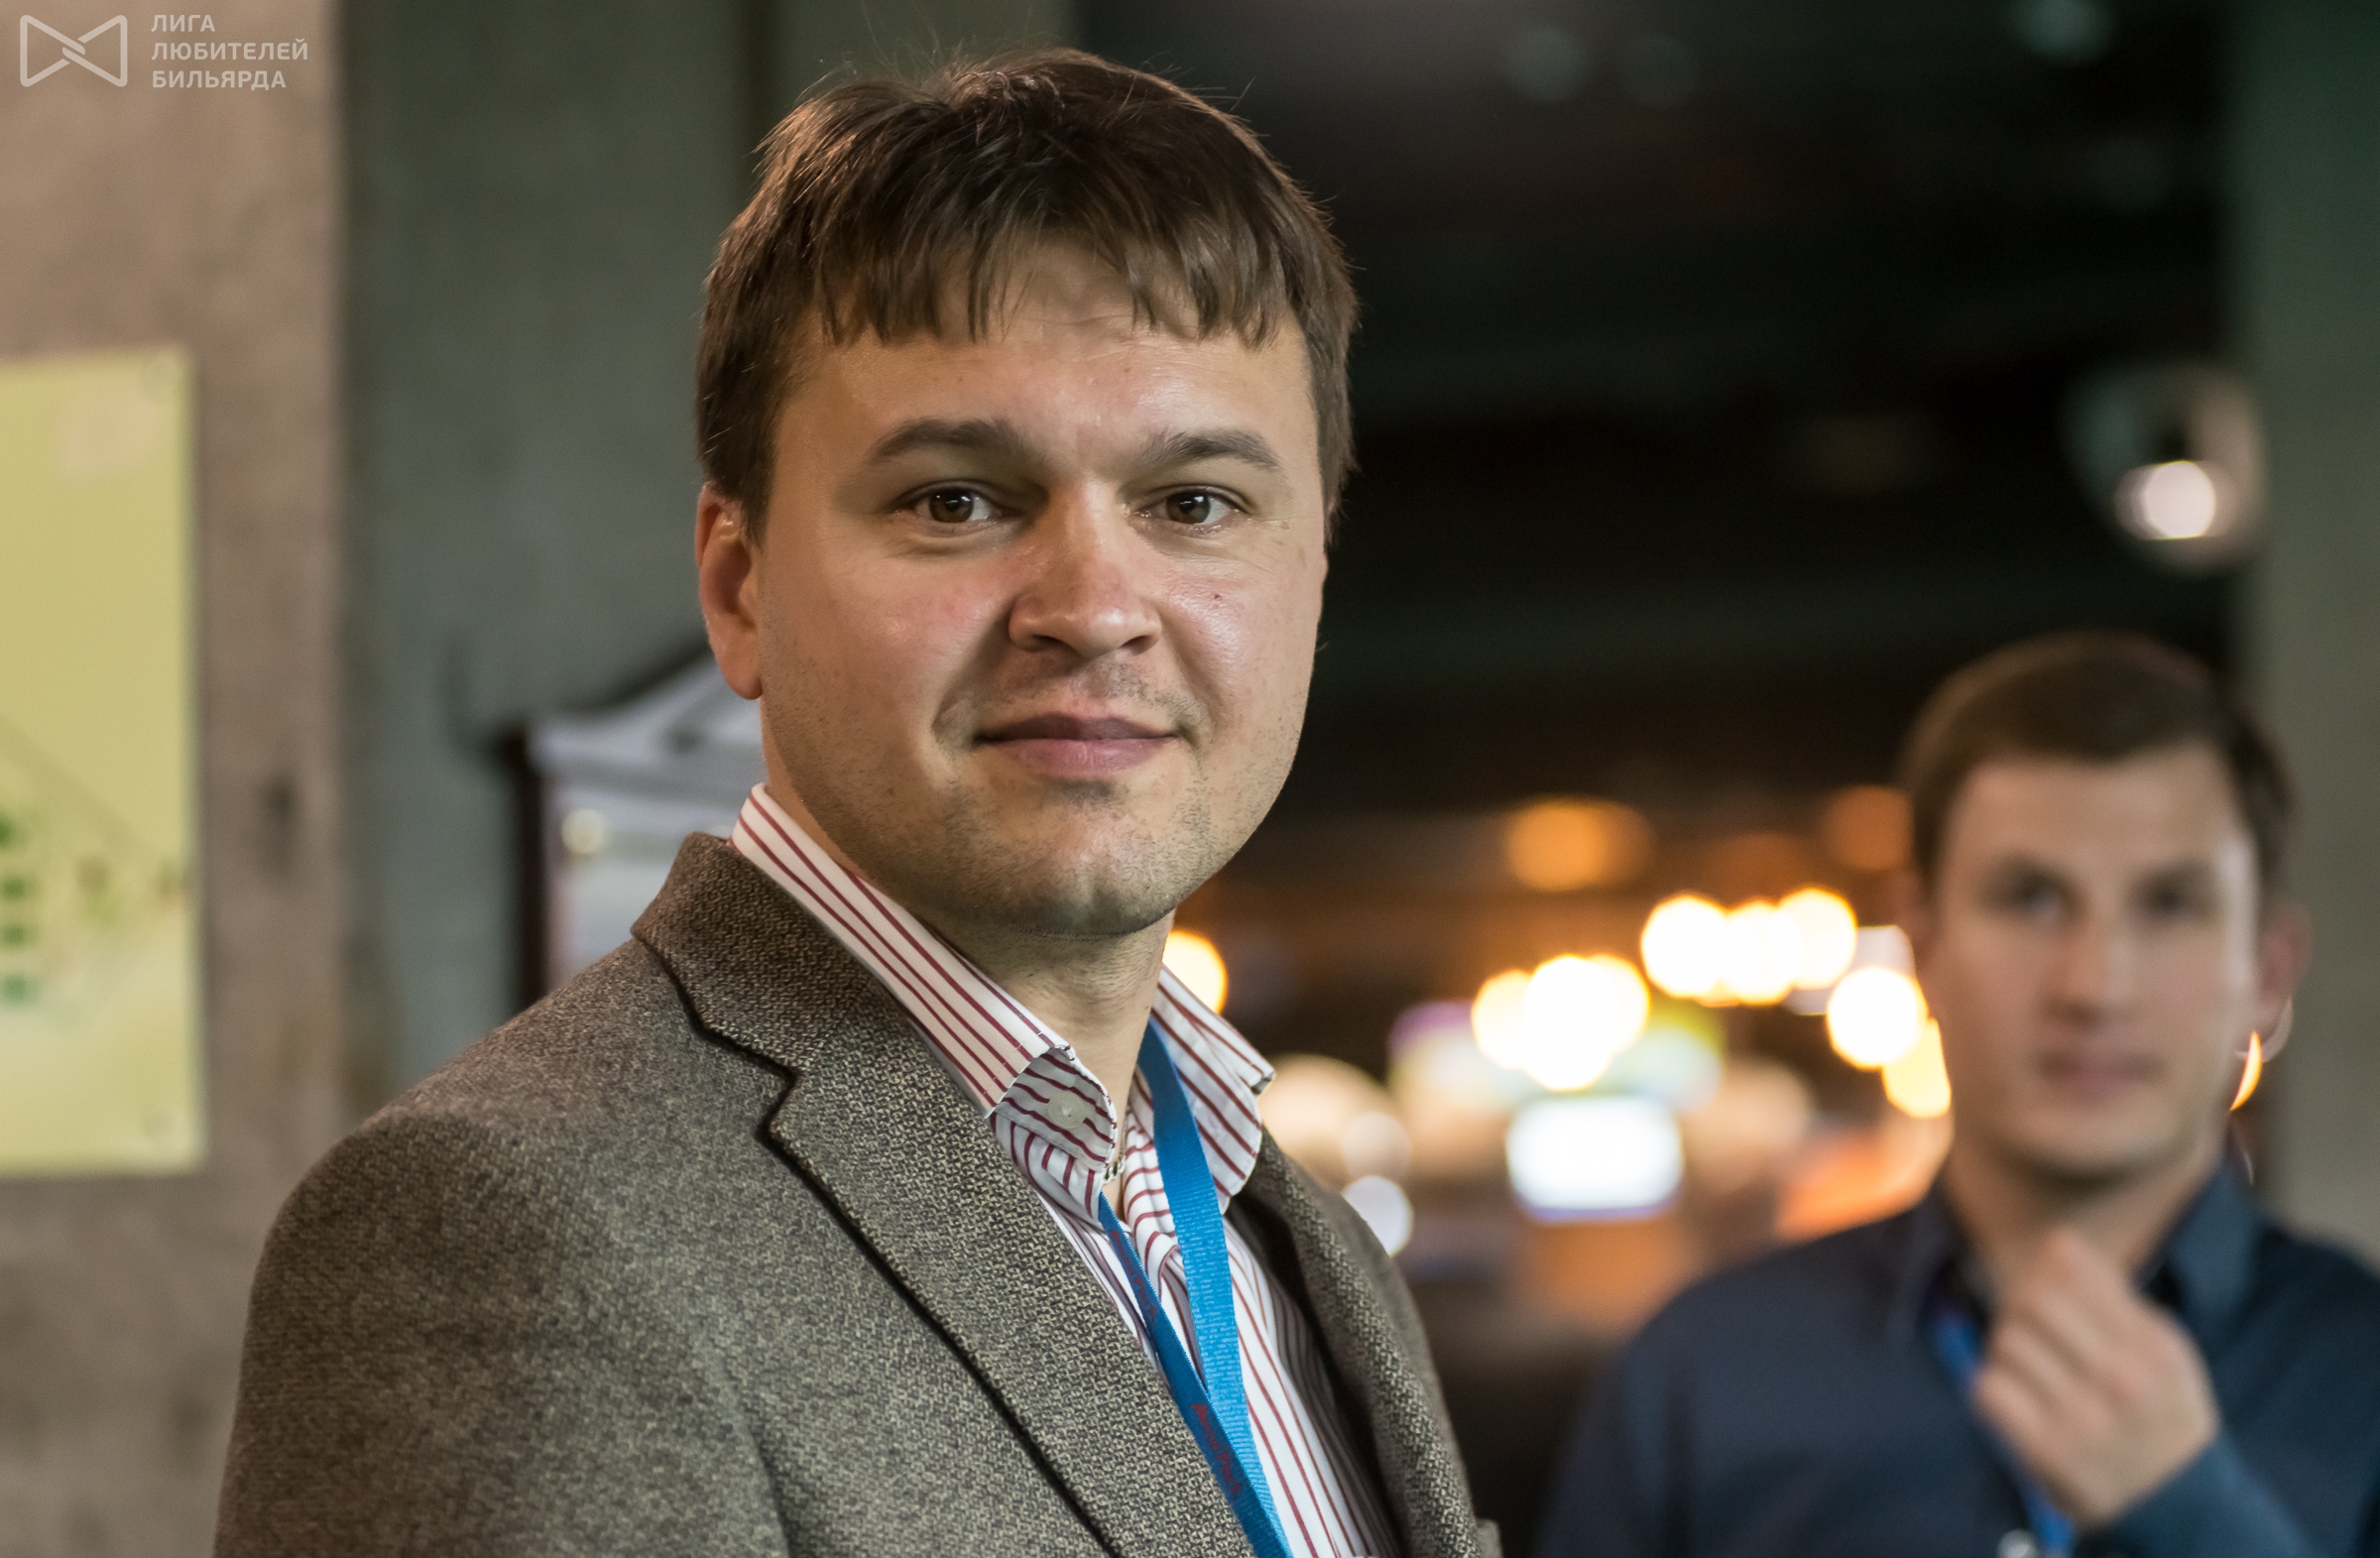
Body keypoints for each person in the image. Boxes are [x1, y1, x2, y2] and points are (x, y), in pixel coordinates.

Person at [216, 51, 1491, 1558]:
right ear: (738, 586)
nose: (1093, 607)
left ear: (1314, 570)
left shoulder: (1304, 1244)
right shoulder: (506, 1228)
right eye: (957, 499)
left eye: (1194, 502)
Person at [1538, 632, 2380, 1558]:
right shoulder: (1699, 1377)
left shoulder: (2362, 1367)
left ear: (2269, 971)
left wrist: (2196, 1520)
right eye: (2030, 899)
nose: (2094, 985)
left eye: (2170, 904)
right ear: (1922, 943)